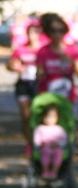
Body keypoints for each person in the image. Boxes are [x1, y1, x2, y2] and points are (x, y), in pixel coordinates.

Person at [35, 13, 78, 104]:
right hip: (47, 95)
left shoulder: (73, 49)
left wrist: (70, 60)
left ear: (65, 31)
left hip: (68, 96)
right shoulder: (43, 51)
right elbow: (39, 75)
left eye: (61, 30)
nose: (57, 34)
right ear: (48, 32)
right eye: (53, 30)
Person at [8, 22, 42, 153]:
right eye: (29, 32)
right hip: (23, 84)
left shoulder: (43, 49)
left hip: (38, 84)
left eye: (35, 32)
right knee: (25, 115)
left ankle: (40, 140)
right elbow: (10, 65)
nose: (32, 35)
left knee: (37, 114)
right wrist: (15, 66)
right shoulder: (20, 49)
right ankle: (29, 143)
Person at [33, 105, 68, 180]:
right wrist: (39, 144)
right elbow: (37, 139)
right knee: (45, 156)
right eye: (48, 116)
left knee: (58, 156)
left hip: (56, 148)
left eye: (53, 117)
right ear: (44, 117)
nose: (51, 119)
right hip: (45, 148)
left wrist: (58, 144)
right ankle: (45, 171)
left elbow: (64, 140)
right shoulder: (40, 128)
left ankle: (54, 172)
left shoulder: (59, 129)